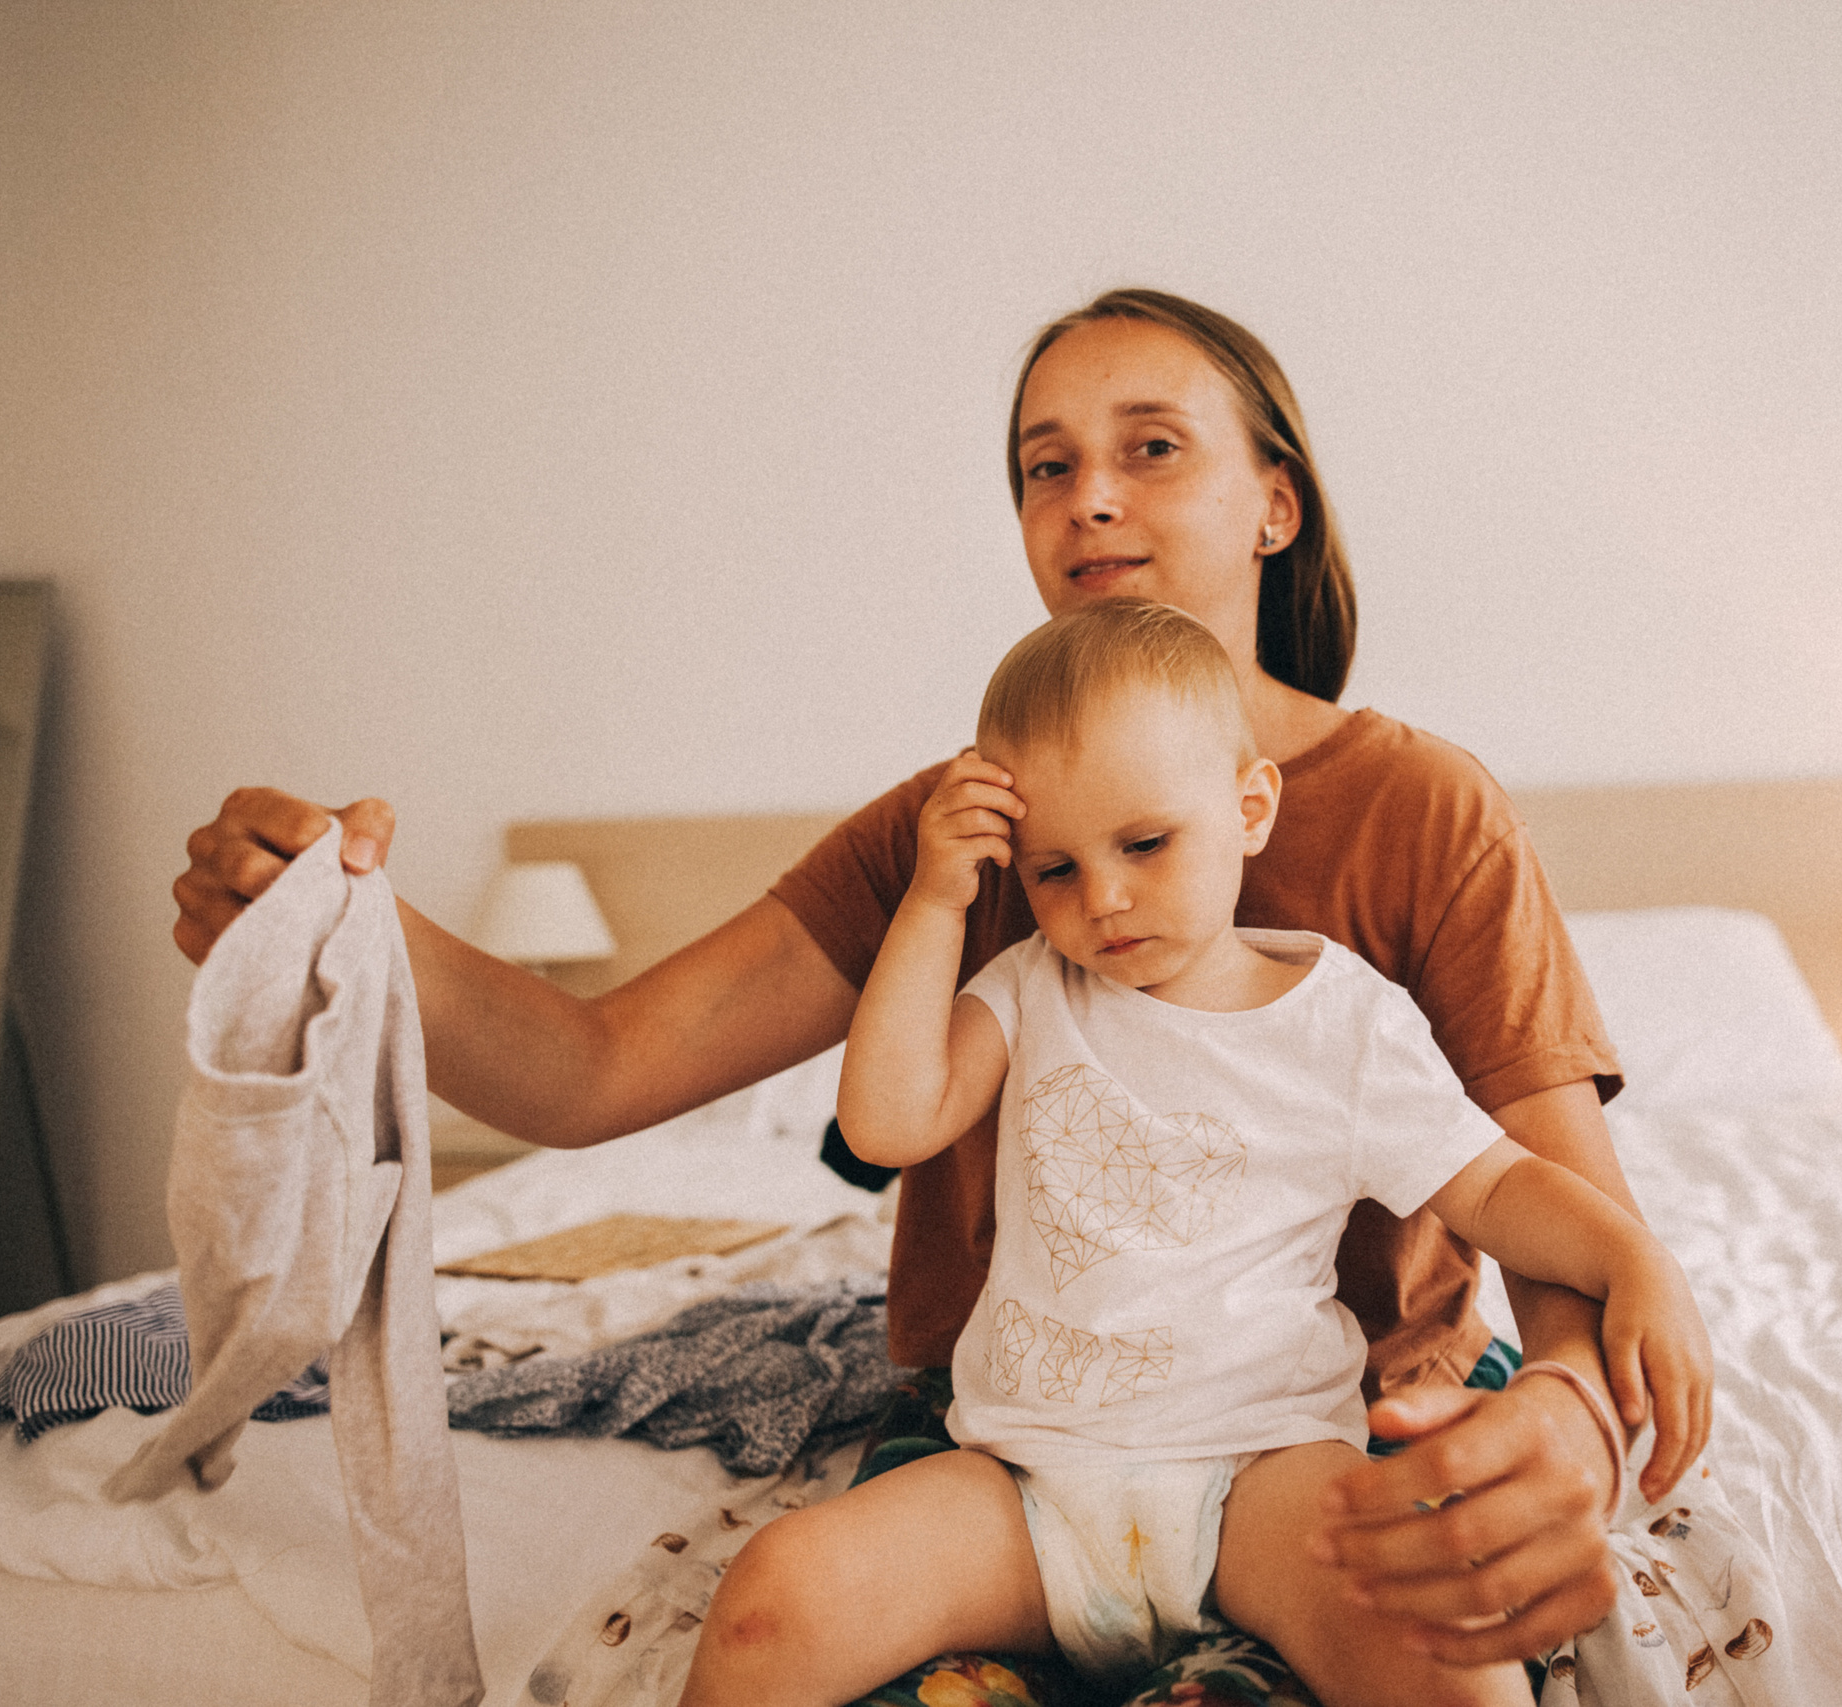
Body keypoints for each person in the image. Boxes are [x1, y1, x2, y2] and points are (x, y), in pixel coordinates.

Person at [171, 288, 1715, 1688]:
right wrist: (334, 926)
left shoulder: (1425, 807)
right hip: (1023, 1451)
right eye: (1045, 466)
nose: (1088, 494)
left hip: (1317, 1427)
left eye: (1152, 446)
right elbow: (589, 1069)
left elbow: (1558, 1206)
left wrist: (1571, 1410)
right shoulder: (961, 834)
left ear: (1275, 505)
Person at [679, 599, 1696, 1707]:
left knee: (1447, 1634)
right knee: (776, 1593)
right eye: (1052, 870)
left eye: (1145, 845)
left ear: (1249, 807)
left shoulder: (1342, 1022)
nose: (1102, 899)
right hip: (1023, 1486)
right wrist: (933, 899)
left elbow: (1497, 1185)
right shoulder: (1027, 988)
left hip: (1265, 1478)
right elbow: (889, 1121)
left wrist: (1631, 1259)